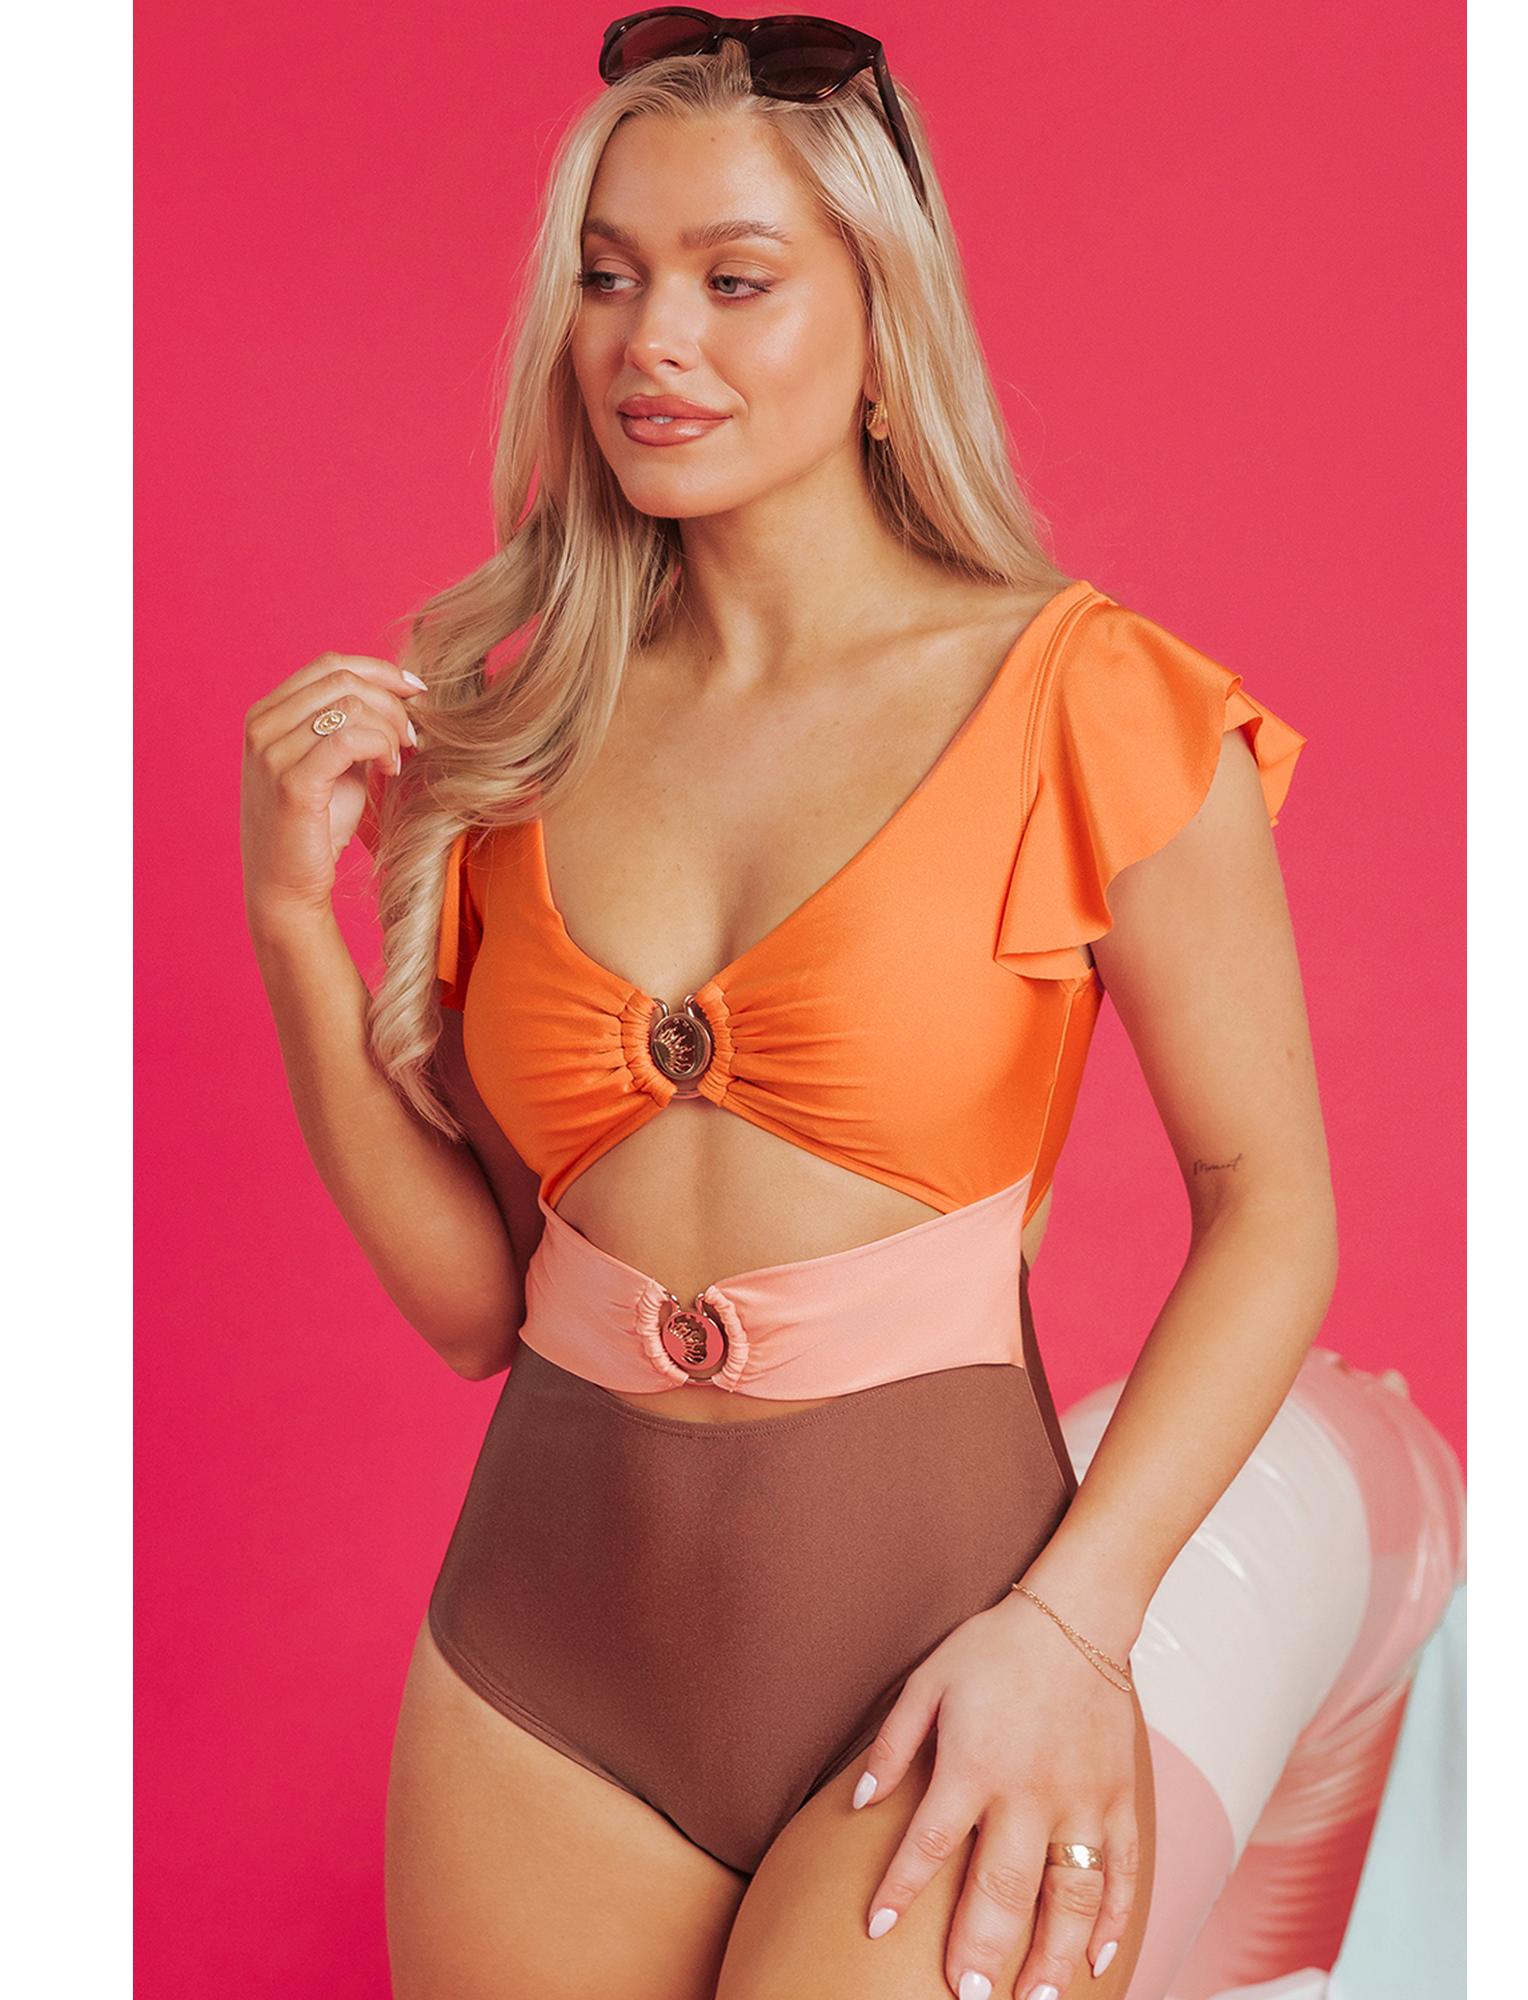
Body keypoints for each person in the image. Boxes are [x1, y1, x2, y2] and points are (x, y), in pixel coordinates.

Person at [240, 18, 1461, 1999]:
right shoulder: (506, 741)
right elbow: (477, 1303)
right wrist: (292, 927)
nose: (654, 342)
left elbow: (1272, 1210)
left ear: (883, 322)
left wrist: (1074, 1627)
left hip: (946, 1662)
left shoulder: (1089, 700)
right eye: (609, 276)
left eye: (735, 280)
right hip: (532, 1696)